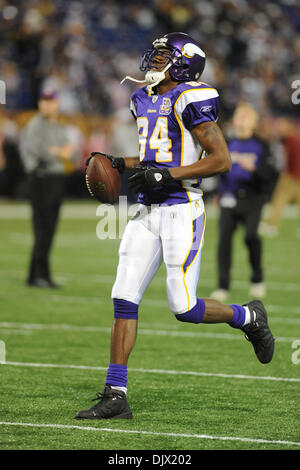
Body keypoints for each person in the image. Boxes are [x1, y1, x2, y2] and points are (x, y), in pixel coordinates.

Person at [75, 33, 275, 420]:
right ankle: (116, 394)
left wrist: (168, 176)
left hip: (182, 208)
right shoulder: (142, 99)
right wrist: (122, 164)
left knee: (183, 307)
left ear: (184, 63)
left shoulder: (192, 97)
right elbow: (157, 155)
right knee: (123, 297)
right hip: (148, 211)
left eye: (163, 55)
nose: (153, 59)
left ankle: (248, 317)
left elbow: (220, 160)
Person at [210, 103, 278, 302]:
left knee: (250, 236)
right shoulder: (227, 142)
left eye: (245, 117)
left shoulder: (262, 145)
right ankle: (223, 286)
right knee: (224, 242)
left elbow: (271, 175)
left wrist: (254, 170)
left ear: (254, 122)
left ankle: (257, 279)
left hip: (252, 198)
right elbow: (219, 169)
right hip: (229, 197)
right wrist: (219, 192)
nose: (240, 120)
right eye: (239, 116)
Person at [21, 90, 75, 288]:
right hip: (41, 179)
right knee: (42, 229)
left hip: (56, 179)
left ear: (56, 104)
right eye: (43, 101)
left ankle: (38, 274)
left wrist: (60, 152)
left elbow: (71, 153)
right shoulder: (35, 125)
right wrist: (60, 152)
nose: (46, 105)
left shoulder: (58, 126)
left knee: (49, 230)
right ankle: (38, 275)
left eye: (50, 101)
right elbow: (41, 152)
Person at [259, 118, 300, 238]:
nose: (279, 129)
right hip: (294, 174)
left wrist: (290, 174)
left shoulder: (291, 140)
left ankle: (271, 225)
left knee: (278, 200)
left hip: (292, 175)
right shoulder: (288, 139)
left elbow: (295, 159)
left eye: (281, 127)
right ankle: (271, 224)